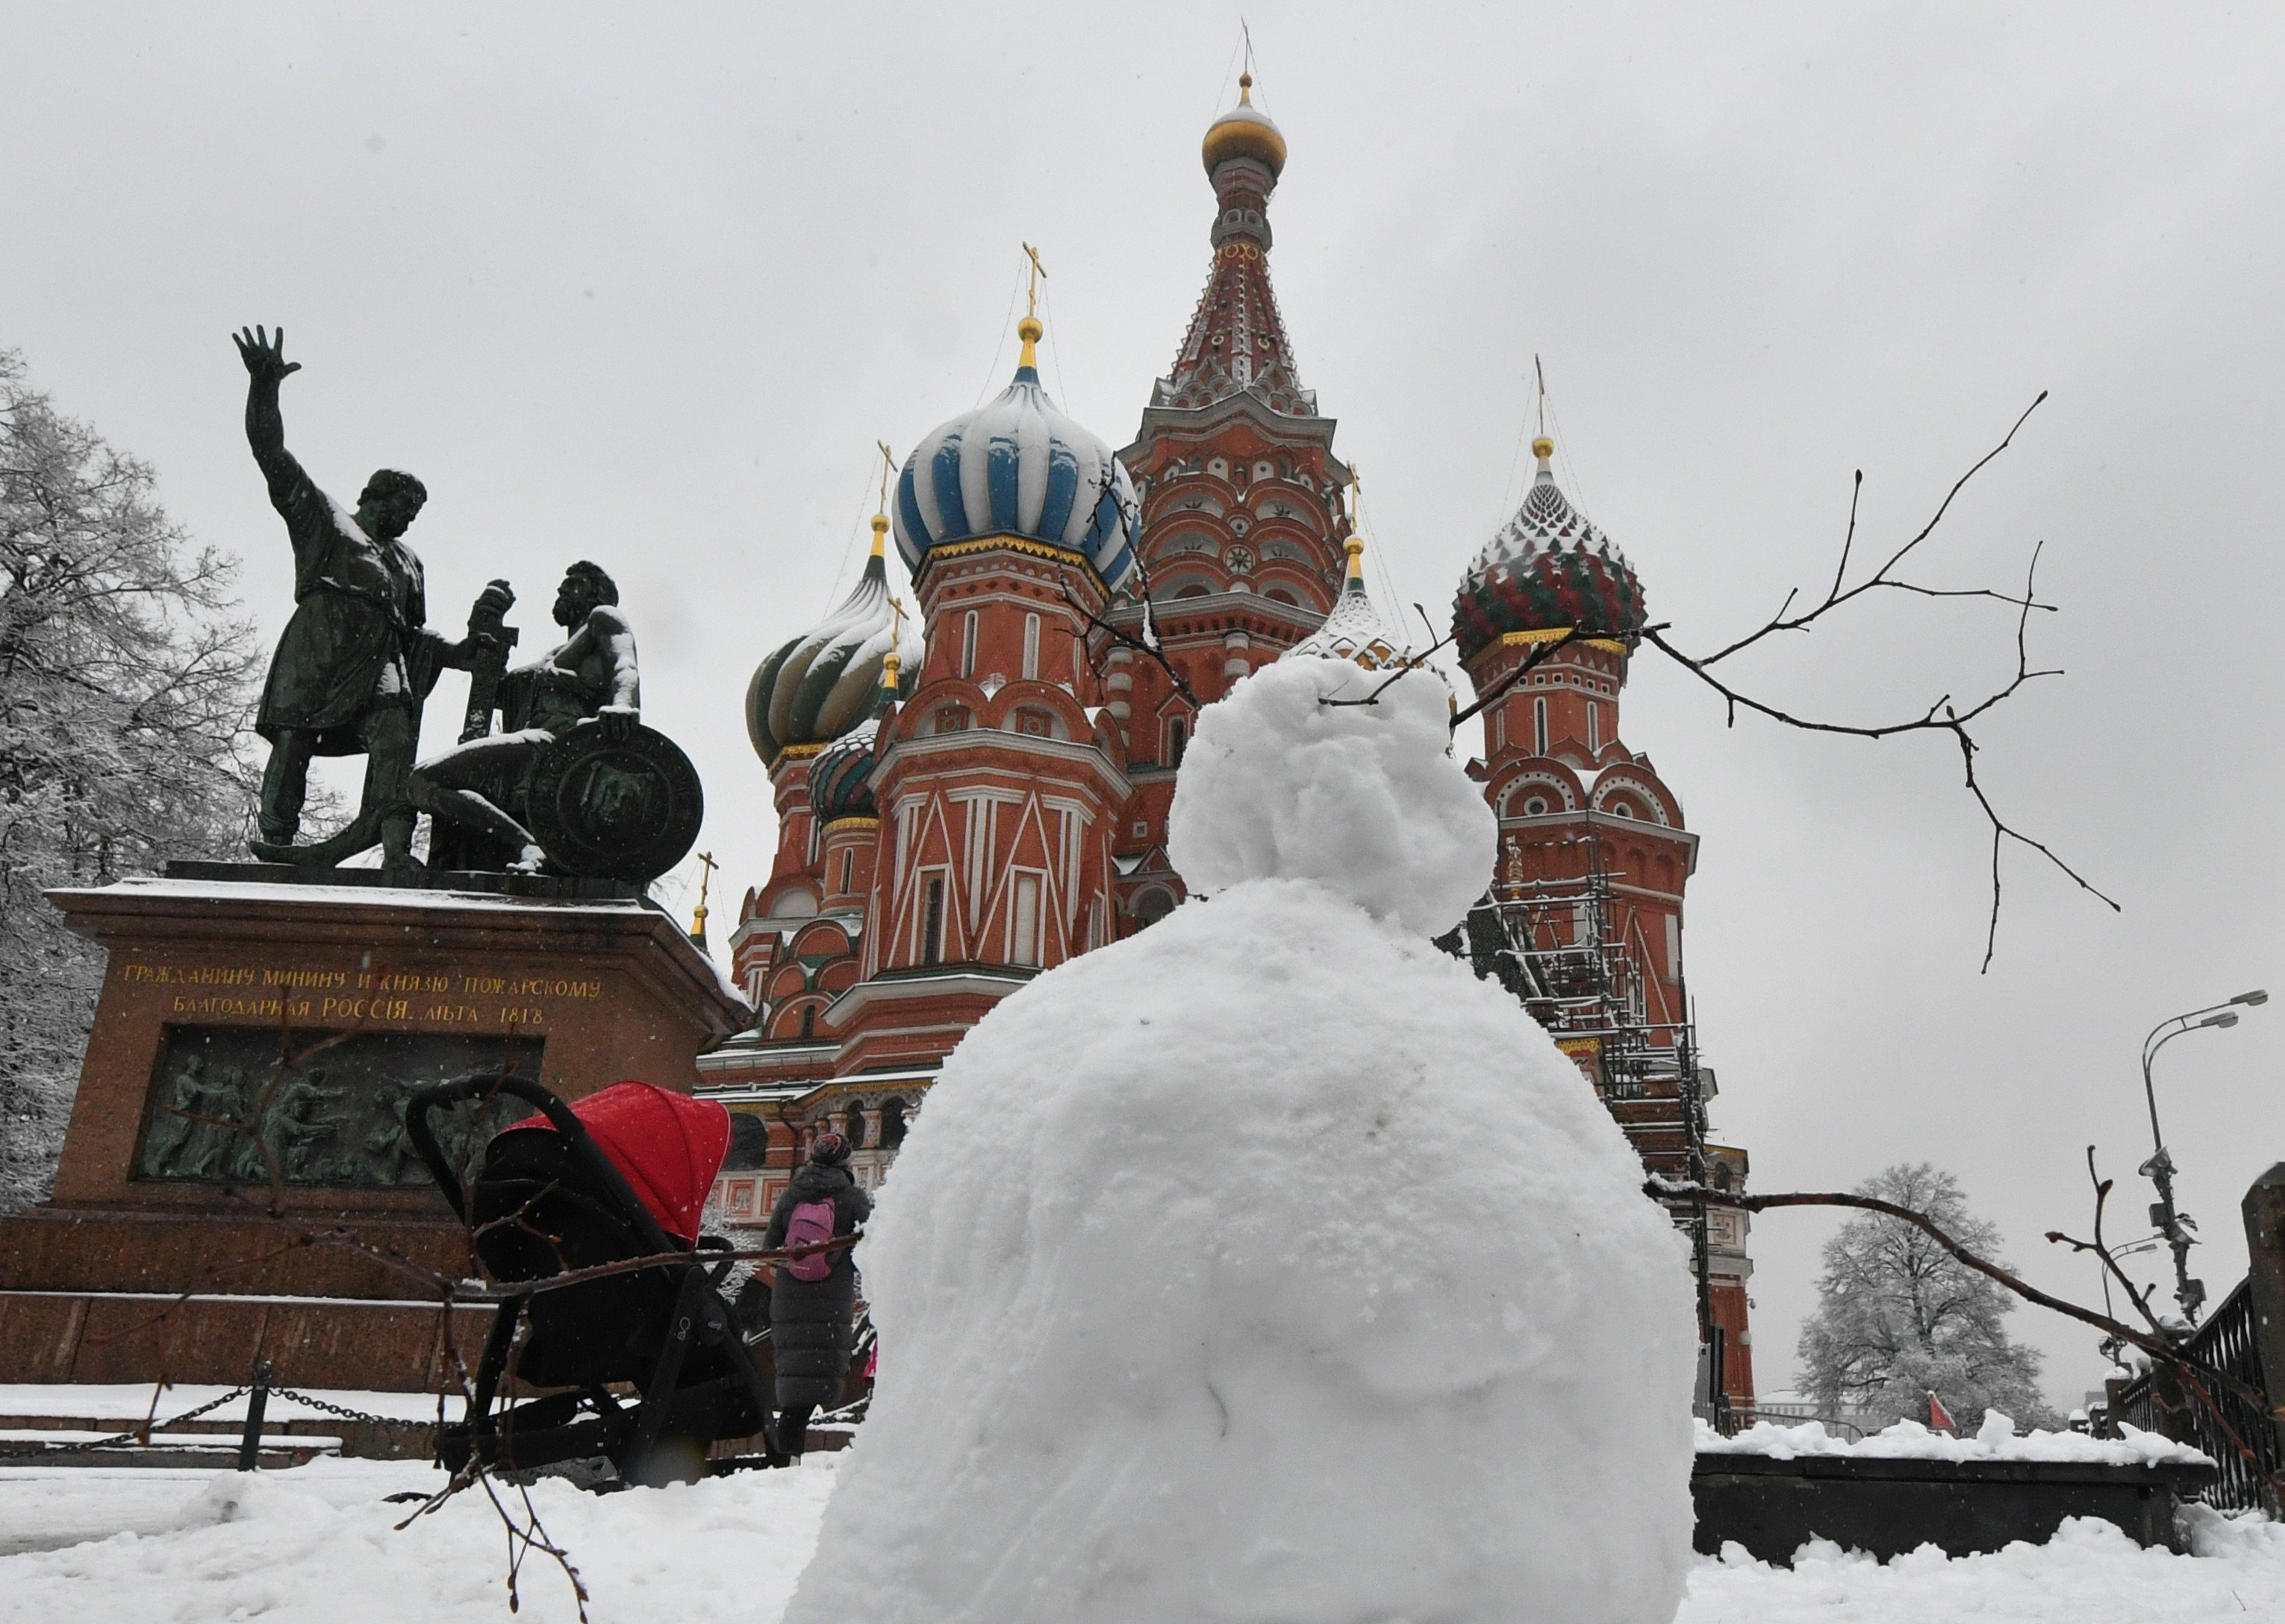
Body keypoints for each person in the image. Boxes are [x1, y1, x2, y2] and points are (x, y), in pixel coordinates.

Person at [234, 325, 507, 875]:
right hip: (317, 650)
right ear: (371, 497)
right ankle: (279, 841)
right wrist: (265, 389)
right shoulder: (325, 522)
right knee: (294, 742)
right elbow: (271, 453)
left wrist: (459, 651)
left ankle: (395, 849)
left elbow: (412, 634)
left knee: (395, 738)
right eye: (402, 506)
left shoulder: (408, 561)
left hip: (380, 662)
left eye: (414, 512)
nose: (407, 519)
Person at [405, 560, 639, 872]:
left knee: (424, 779)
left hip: (559, 748)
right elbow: (493, 691)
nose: (563, 589)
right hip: (531, 747)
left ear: (597, 595)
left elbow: (626, 665)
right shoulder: (550, 659)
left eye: (575, 584)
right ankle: (525, 843)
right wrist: (483, 629)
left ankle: (528, 846)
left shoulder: (604, 620)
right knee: (421, 783)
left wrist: (623, 704)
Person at [765, 1131, 870, 1458]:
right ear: (846, 1162)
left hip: (789, 1296)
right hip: (829, 1298)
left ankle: (785, 1456)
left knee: (795, 1378)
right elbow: (874, 1243)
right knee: (821, 1372)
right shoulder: (852, 1198)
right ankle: (790, 1459)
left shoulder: (791, 1195)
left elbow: (770, 1249)